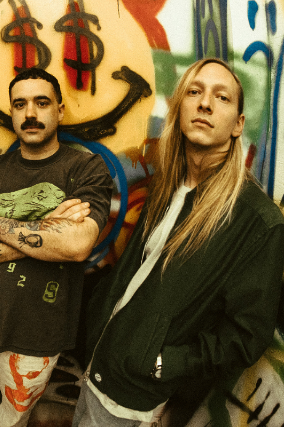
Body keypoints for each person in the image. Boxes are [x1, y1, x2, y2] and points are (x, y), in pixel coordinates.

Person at [72, 58, 284, 426]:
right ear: (180, 108)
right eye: (194, 92)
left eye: (222, 97)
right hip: (96, 371)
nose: (205, 104)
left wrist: (164, 363)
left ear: (238, 124)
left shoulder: (257, 221)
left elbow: (245, 336)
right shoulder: (167, 185)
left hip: (137, 403)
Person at [0, 68, 113, 427]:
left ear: (59, 110)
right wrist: (47, 229)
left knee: (13, 417)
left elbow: (77, 244)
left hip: (37, 334)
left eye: (42, 102)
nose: (31, 113)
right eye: (20, 104)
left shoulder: (85, 168)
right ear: (12, 112)